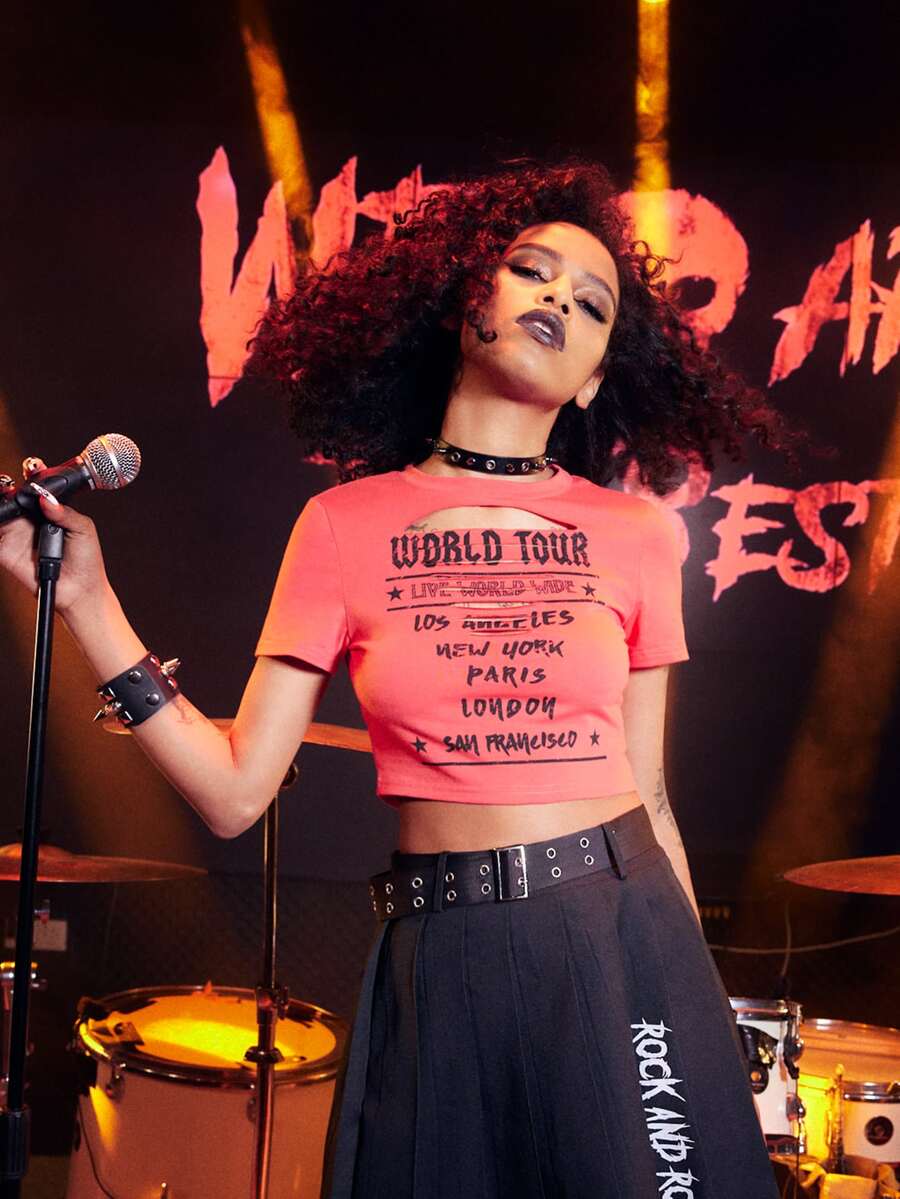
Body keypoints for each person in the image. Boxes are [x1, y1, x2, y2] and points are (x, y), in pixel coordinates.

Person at [0, 160, 789, 1198]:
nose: (558, 298)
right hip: (438, 951)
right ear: (464, 300)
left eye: (591, 303)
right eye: (532, 270)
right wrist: (88, 602)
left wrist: (696, 1000)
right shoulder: (343, 525)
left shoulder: (638, 534)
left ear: (596, 378)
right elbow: (235, 791)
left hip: (617, 935)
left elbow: (654, 796)